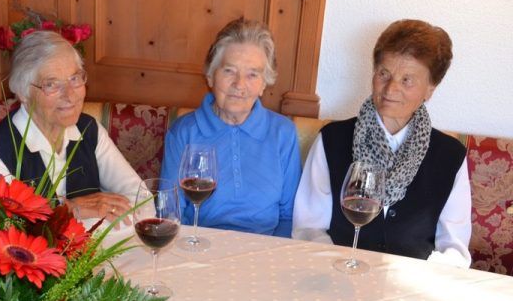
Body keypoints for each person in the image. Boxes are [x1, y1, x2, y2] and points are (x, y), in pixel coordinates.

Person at [292, 19, 471, 266]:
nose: (390, 89)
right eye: (384, 73)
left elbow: (454, 248)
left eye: (407, 79)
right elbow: (308, 230)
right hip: (336, 279)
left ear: (430, 88)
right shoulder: (332, 140)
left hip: (412, 291)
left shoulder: (450, 156)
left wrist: (419, 286)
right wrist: (338, 270)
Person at [0, 31, 141, 225]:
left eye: (75, 79)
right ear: (23, 93)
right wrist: (71, 209)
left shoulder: (88, 130)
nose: (70, 95)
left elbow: (139, 196)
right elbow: (1, 234)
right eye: (51, 84)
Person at [159, 18, 301, 236]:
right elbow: (170, 212)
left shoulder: (283, 133)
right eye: (229, 71)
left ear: (264, 84)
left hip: (265, 252)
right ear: (210, 75)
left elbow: (289, 215)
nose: (239, 84)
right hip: (200, 248)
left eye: (252, 74)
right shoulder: (183, 132)